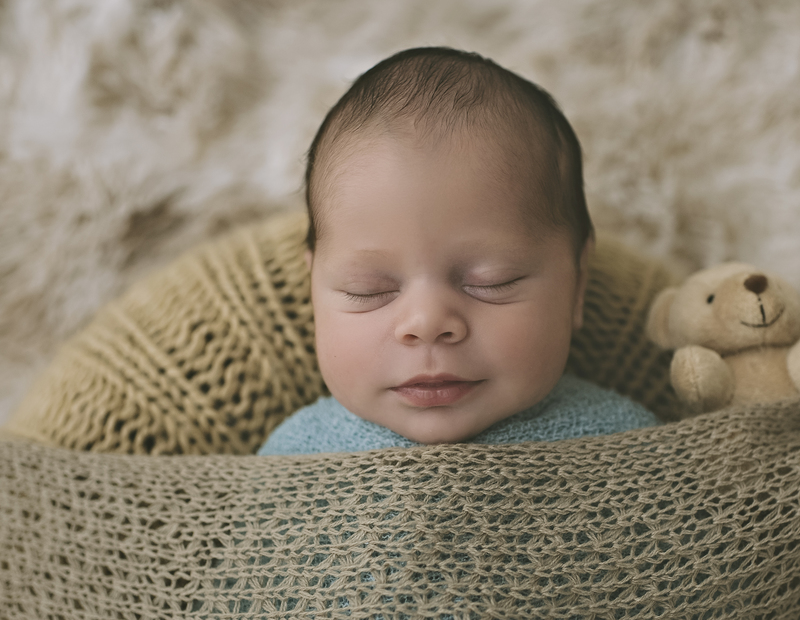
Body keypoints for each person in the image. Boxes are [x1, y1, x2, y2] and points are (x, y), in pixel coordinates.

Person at [259, 47, 657, 456]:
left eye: (491, 281)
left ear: (577, 285)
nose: (427, 322)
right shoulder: (292, 456)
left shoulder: (628, 446)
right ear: (313, 292)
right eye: (368, 290)